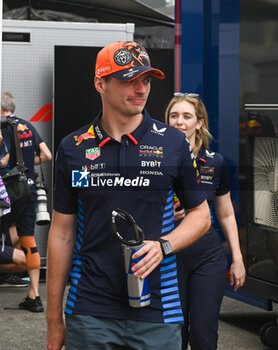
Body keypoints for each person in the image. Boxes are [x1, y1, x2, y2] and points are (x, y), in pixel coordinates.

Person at [46, 40, 211, 350]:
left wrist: (164, 246)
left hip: (159, 313)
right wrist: (53, 319)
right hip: (89, 310)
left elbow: (201, 216)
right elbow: (62, 234)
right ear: (100, 83)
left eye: (146, 79)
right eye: (128, 80)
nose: (141, 89)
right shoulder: (73, 147)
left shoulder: (174, 143)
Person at [165, 93, 246, 350]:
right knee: (173, 335)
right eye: (174, 116)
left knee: (203, 334)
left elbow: (225, 213)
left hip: (207, 256)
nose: (179, 121)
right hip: (168, 254)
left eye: (187, 116)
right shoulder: (154, 161)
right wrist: (168, 215)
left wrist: (237, 258)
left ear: (199, 122)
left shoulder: (215, 162)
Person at [1, 91, 52, 312]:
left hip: (9, 194)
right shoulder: (27, 126)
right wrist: (28, 166)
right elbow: (47, 156)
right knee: (29, 241)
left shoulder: (3, 127)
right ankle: (34, 294)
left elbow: (2, 163)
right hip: (29, 192)